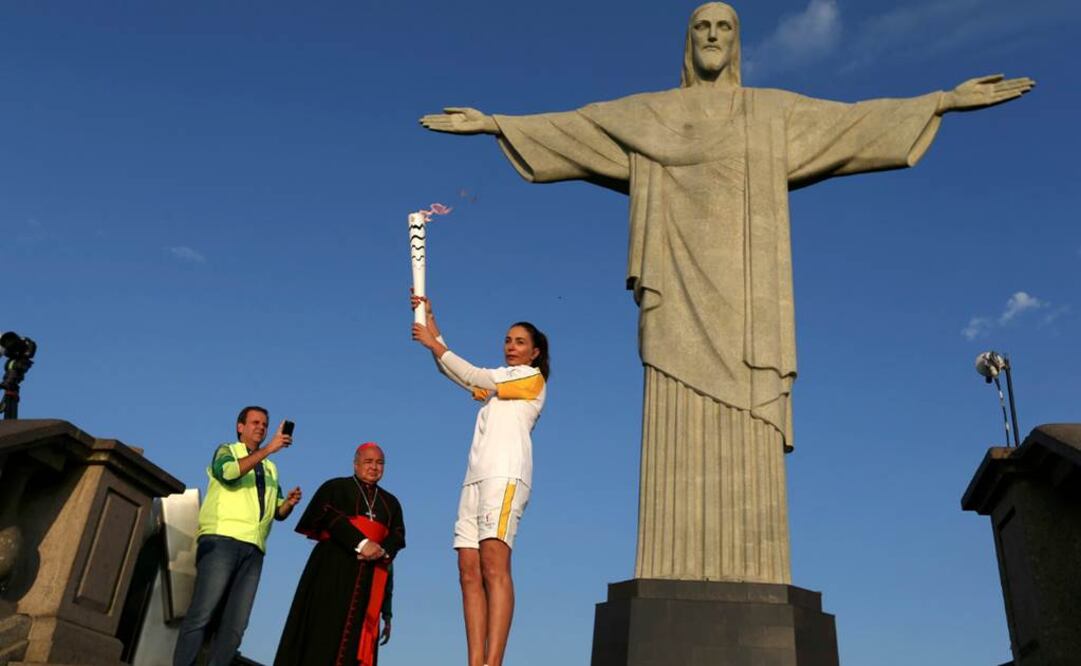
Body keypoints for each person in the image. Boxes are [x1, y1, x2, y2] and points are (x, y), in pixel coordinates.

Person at [419, 2, 1035, 584]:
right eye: (702, 27)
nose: (713, 36)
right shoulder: (650, 114)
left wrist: (941, 101)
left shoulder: (770, 114)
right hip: (673, 295)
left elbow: (853, 123)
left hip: (749, 304)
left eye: (725, 27)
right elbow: (578, 128)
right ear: (688, 42)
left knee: (750, 417)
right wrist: (496, 123)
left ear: (737, 42)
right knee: (672, 413)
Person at [411, 295, 549, 666]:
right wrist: (430, 319)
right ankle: (475, 660)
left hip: (505, 475)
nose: (511, 346)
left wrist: (433, 342)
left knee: (493, 566)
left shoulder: (529, 379)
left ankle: (493, 661)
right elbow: (456, 373)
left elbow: (474, 374)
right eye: (507, 340)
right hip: (474, 478)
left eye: (520, 342)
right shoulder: (499, 388)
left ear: (535, 352)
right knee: (468, 571)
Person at [173, 406, 302, 666]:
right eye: (255, 422)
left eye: (265, 424)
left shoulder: (270, 468)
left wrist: (288, 503)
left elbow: (277, 512)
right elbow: (228, 474)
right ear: (240, 427)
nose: (261, 428)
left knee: (235, 626)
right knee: (203, 614)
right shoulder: (227, 450)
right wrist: (269, 449)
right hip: (221, 540)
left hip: (254, 549)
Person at [273, 442, 406, 666]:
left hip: (370, 578)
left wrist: (380, 550)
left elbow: (398, 535)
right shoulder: (335, 487)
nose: (374, 467)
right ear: (355, 464)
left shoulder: (391, 503)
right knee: (321, 634)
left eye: (379, 463)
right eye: (368, 461)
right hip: (331, 570)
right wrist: (361, 543)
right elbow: (324, 515)